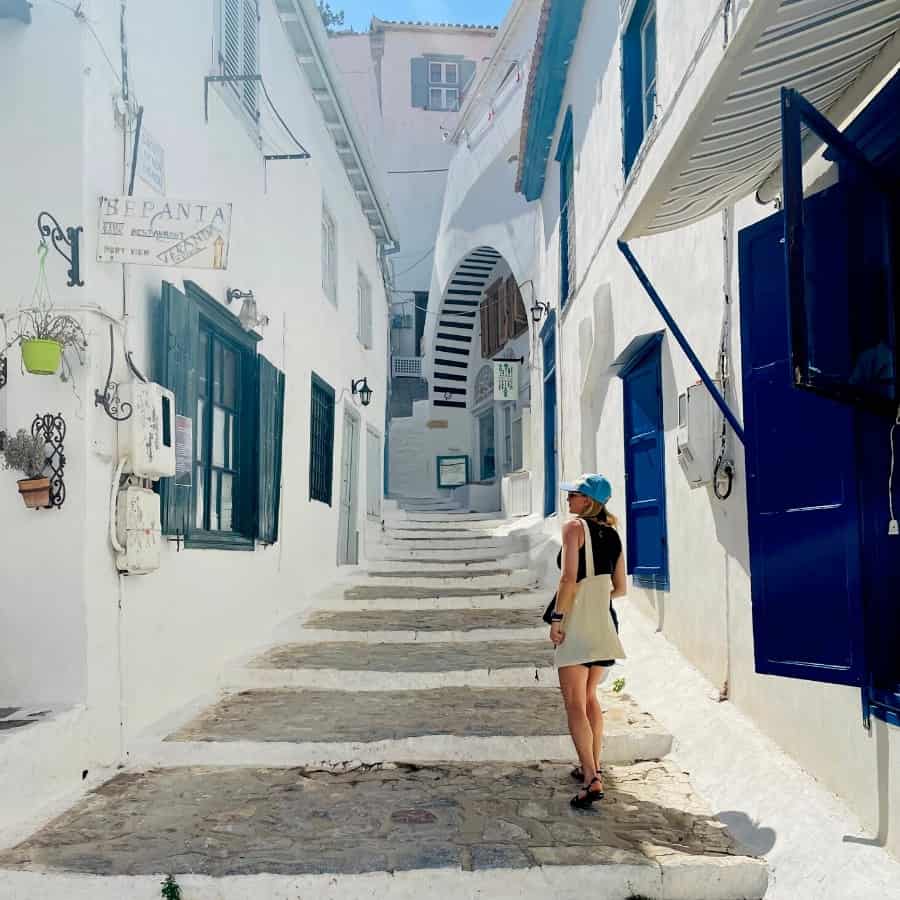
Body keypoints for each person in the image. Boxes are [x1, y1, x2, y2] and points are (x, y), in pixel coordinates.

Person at [549, 474, 626, 809]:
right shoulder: (613, 534)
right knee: (591, 697)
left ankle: (591, 778)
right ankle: (592, 767)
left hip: (577, 621)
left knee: (574, 704)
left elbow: (568, 578)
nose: (568, 500)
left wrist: (558, 618)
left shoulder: (573, 529)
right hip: (605, 620)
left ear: (588, 500)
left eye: (574, 495)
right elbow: (620, 588)